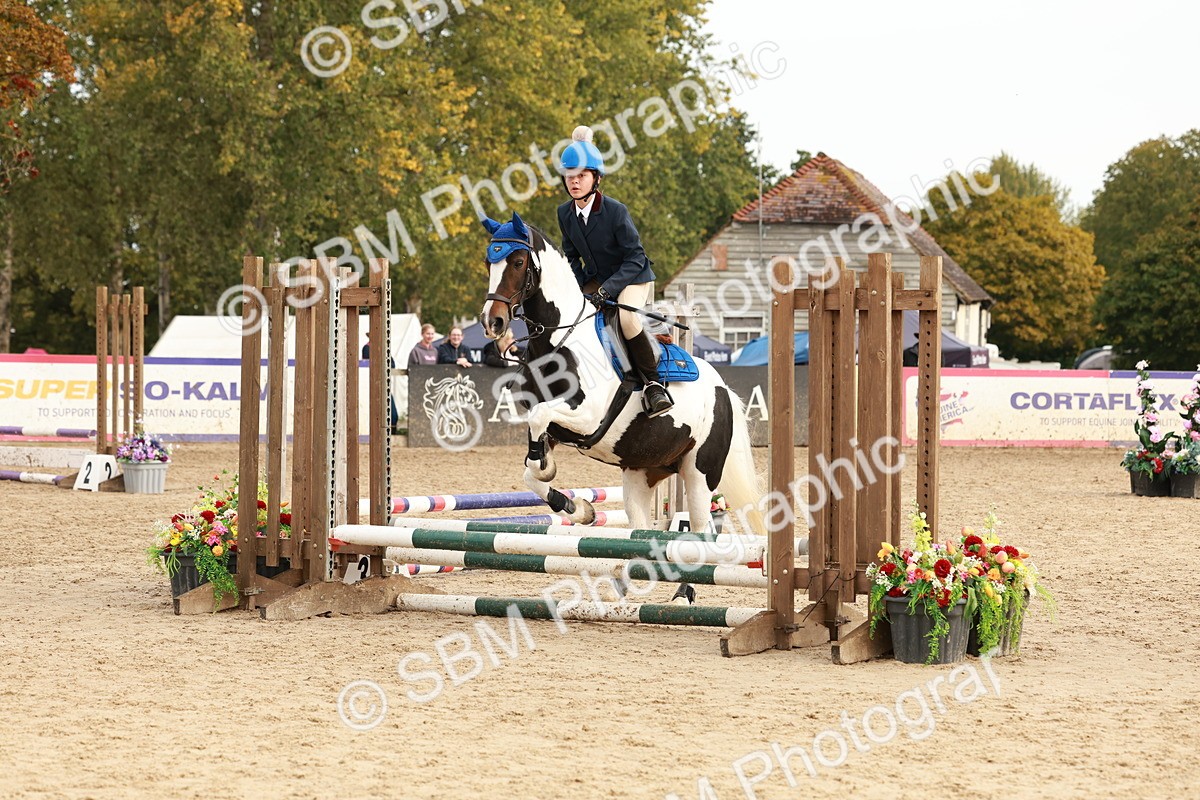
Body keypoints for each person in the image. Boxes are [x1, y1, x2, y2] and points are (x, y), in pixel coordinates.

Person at [555, 125, 672, 416]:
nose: (574, 182)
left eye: (581, 176)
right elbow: (571, 257)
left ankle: (653, 385)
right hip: (597, 279)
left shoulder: (615, 211)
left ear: (596, 178)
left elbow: (635, 257)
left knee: (627, 319)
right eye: (570, 176)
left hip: (633, 276)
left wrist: (606, 290)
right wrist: (580, 290)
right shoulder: (564, 213)